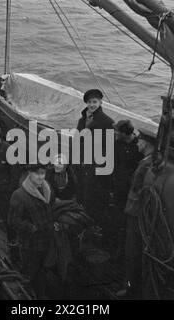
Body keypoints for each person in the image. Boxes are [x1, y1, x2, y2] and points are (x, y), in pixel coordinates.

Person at [8, 163, 58, 299]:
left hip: (47, 241)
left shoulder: (48, 190)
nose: (41, 177)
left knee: (44, 269)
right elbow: (13, 221)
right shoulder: (19, 195)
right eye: (38, 174)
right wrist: (32, 228)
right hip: (31, 244)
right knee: (31, 273)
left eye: (43, 173)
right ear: (29, 173)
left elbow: (52, 209)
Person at [119, 128, 156, 299]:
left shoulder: (145, 164)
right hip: (141, 212)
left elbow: (135, 186)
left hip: (135, 212)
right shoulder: (150, 161)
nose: (138, 143)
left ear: (147, 144)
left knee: (132, 251)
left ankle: (129, 289)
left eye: (140, 141)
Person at [75, 89, 115, 229]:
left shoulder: (107, 122)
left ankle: (94, 228)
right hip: (83, 164)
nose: (92, 105)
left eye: (94, 102)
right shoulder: (83, 120)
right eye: (89, 102)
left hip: (97, 168)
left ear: (100, 102)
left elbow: (109, 150)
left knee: (94, 200)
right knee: (83, 196)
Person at [112, 120, 144, 257]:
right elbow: (115, 163)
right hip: (119, 186)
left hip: (131, 188)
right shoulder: (117, 144)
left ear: (124, 133)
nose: (115, 133)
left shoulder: (138, 146)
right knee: (119, 215)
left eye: (117, 131)